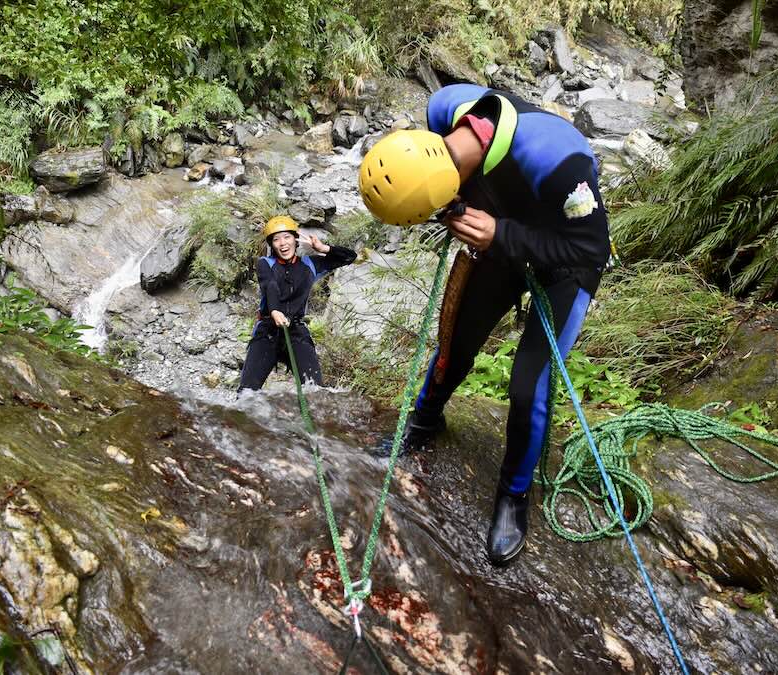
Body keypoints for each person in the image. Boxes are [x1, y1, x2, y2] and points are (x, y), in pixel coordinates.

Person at [358, 84, 613, 566]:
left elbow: (591, 249)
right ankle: (425, 419)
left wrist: (503, 233)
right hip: (498, 241)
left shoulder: (559, 162)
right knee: (456, 340)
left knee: (527, 386)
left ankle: (513, 496)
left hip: (566, 263)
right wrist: (483, 226)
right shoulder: (444, 109)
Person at [237, 216, 356, 391]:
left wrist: (323, 248)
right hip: (268, 330)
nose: (282, 243)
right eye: (276, 239)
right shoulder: (265, 264)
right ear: (272, 245)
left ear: (295, 239)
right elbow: (269, 285)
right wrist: (275, 311)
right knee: (246, 392)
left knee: (314, 390)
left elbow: (349, 257)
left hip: (296, 331)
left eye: (287, 237)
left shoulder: (310, 264)